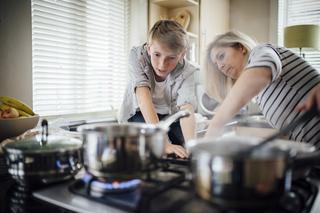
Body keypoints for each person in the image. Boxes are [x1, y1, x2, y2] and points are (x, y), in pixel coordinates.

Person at [204, 31, 320, 148]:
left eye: (221, 56)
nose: (220, 66)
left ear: (241, 48)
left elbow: (263, 68)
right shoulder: (261, 93)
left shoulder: (261, 51)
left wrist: (216, 124)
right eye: (216, 64)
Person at [119, 20, 198, 158]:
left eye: (171, 58)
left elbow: (186, 109)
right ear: (149, 48)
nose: (162, 65)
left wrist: (192, 146)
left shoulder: (188, 71)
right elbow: (143, 98)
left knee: (184, 148)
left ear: (182, 55)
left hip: (169, 115)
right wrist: (163, 142)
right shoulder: (137, 57)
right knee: (151, 148)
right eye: (157, 55)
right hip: (140, 114)